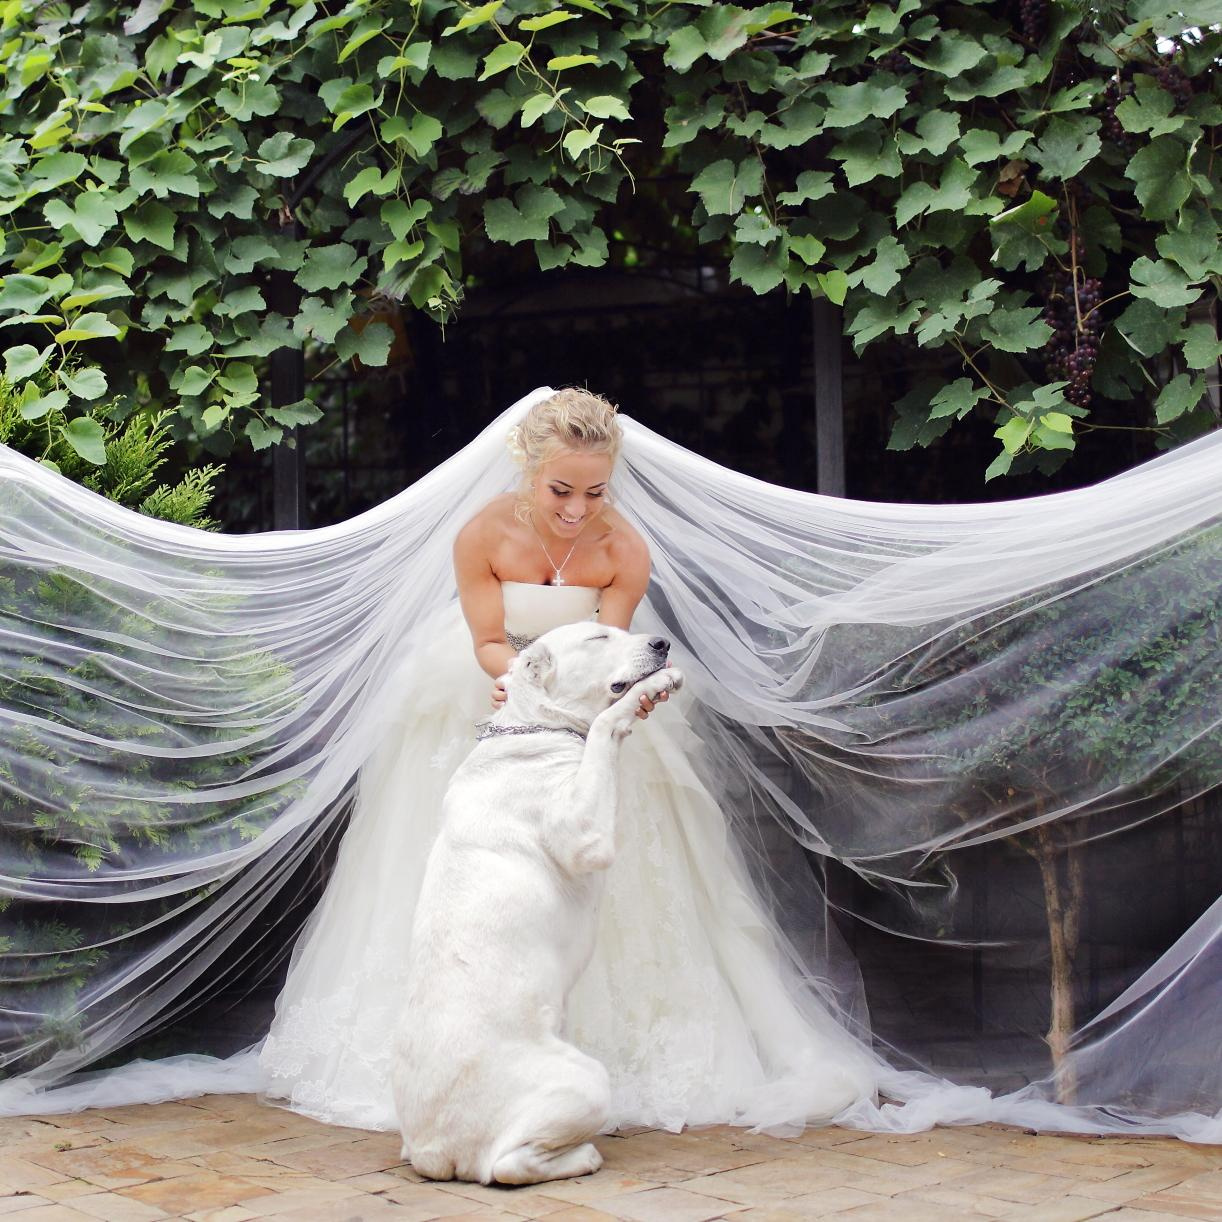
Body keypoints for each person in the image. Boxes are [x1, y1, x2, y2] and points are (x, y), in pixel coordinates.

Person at [259, 388, 878, 1132]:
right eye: (560, 490)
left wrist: (613, 705)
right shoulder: (482, 535)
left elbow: (613, 655)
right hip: (491, 689)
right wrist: (519, 687)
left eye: (595, 491)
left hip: (588, 699)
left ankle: (605, 1049)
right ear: (528, 467)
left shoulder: (624, 550)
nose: (578, 510)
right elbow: (488, 639)